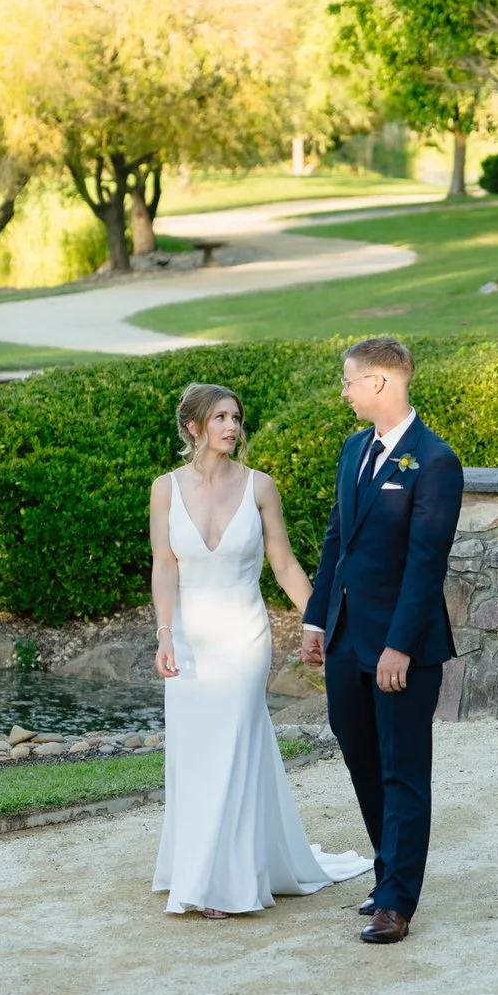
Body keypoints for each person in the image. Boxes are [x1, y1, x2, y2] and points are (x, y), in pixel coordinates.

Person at [149, 382, 373, 918]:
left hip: (245, 637)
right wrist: (162, 633)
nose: (232, 427)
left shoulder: (259, 487)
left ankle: (222, 883)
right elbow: (164, 565)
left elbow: (287, 565)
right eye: (220, 417)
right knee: (195, 753)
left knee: (232, 745)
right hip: (188, 640)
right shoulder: (164, 489)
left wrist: (318, 622)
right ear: (193, 427)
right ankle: (199, 865)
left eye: (236, 417)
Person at [300, 335, 464, 945]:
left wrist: (399, 645)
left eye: (348, 381)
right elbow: (334, 542)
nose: (342, 392)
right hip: (345, 641)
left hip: (403, 648)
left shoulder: (435, 461)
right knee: (361, 755)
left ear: (379, 383)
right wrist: (317, 621)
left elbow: (427, 565)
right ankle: (387, 867)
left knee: (403, 769)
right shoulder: (352, 451)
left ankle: (396, 900)